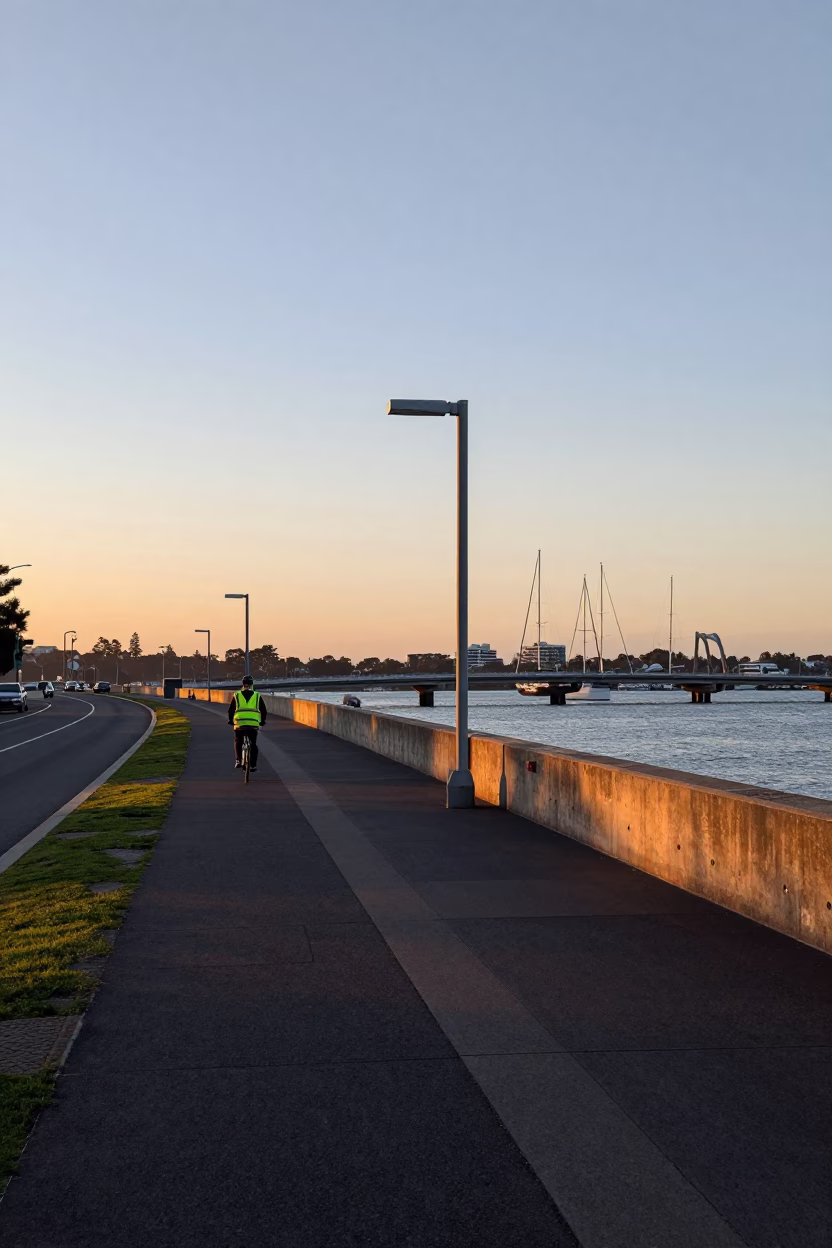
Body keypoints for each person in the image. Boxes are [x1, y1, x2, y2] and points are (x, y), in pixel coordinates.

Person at [228, 675, 267, 771]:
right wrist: (262, 721)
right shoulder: (257, 695)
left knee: (238, 740)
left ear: (243, 684)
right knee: (253, 743)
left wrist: (231, 720)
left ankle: (238, 760)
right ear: (252, 684)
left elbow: (231, 710)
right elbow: (263, 710)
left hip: (239, 722)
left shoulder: (237, 695)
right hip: (253, 723)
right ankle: (253, 765)